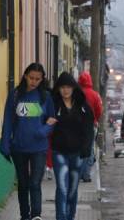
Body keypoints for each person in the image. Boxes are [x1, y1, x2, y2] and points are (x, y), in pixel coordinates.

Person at [0, 63, 57, 220]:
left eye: (37, 79)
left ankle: (36, 215)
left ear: (42, 80)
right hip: (19, 147)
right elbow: (8, 120)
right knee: (23, 184)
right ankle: (25, 216)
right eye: (31, 78)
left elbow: (52, 121)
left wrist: (42, 131)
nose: (34, 81)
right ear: (25, 76)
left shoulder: (45, 97)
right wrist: (5, 142)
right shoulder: (15, 95)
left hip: (39, 148)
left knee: (35, 183)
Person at [51, 72, 94, 220]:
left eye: (68, 87)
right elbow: (43, 120)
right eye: (62, 87)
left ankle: (70, 216)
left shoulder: (83, 106)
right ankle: (61, 217)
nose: (65, 90)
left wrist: (87, 148)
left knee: (73, 189)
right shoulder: (53, 104)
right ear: (58, 88)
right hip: (59, 153)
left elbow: (89, 129)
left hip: (78, 154)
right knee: (62, 188)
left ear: (74, 88)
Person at [78, 71, 103, 182]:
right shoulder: (94, 94)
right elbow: (99, 110)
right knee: (89, 149)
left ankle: (77, 174)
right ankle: (86, 174)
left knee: (78, 149)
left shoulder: (76, 93)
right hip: (91, 125)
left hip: (77, 125)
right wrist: (95, 120)